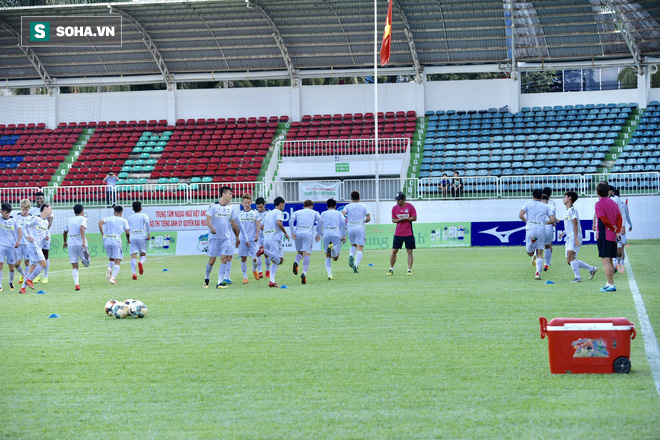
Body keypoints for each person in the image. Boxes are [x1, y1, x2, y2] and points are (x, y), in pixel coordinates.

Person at [204, 186, 244, 289]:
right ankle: (207, 277)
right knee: (212, 261)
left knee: (224, 258)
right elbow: (207, 220)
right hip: (214, 238)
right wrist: (212, 228)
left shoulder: (230, 208)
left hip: (226, 238)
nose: (231, 196)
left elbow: (233, 223)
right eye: (230, 194)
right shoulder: (213, 206)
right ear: (223, 194)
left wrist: (237, 237)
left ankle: (220, 282)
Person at [557, 191, 598, 283]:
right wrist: (563, 233)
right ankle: (591, 269)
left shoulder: (572, 210)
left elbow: (575, 224)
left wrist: (575, 238)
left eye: (565, 197)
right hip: (569, 237)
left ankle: (578, 278)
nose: (564, 199)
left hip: (573, 237)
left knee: (570, 257)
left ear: (569, 198)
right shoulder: (567, 211)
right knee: (569, 260)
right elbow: (570, 225)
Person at [519, 189, 555, 280]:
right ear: (541, 197)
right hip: (541, 229)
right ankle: (537, 273)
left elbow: (520, 215)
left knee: (530, 253)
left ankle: (532, 242)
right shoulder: (546, 206)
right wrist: (545, 222)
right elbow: (552, 220)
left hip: (530, 228)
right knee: (540, 253)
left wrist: (528, 222)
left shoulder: (527, 204)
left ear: (532, 196)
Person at [593, 181, 622, 292]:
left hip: (604, 234)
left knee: (605, 261)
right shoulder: (613, 202)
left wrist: (613, 229)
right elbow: (620, 218)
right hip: (612, 235)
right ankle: (609, 283)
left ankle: (611, 285)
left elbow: (603, 220)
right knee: (609, 260)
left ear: (598, 192)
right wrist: (617, 230)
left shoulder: (599, 204)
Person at [256, 196, 290, 288]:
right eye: (284, 205)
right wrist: (286, 233)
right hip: (275, 238)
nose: (283, 207)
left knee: (278, 260)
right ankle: (264, 251)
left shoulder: (268, 214)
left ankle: (272, 281)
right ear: (281, 204)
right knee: (278, 260)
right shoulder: (279, 212)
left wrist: (268, 231)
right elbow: (279, 223)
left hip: (267, 238)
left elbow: (261, 226)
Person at [19, 203, 52, 294]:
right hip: (33, 245)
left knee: (32, 268)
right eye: (50, 209)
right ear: (45, 208)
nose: (51, 211)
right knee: (44, 263)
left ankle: (23, 289)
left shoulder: (45, 222)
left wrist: (47, 236)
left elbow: (46, 232)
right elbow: (23, 226)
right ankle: (29, 280)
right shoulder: (36, 218)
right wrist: (27, 237)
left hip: (38, 246)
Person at [290, 199, 323, 285]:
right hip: (307, 234)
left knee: (300, 253)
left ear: (303, 206)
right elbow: (320, 221)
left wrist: (292, 232)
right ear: (311, 206)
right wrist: (319, 233)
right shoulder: (314, 212)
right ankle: (304, 273)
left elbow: (290, 221)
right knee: (307, 254)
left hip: (298, 234)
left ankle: (296, 262)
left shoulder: (297, 212)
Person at [98, 205, 131, 285]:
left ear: (114, 212)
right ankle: (112, 278)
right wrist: (128, 239)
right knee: (118, 261)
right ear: (121, 212)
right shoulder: (123, 220)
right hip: (116, 240)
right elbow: (127, 232)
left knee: (111, 259)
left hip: (106, 240)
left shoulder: (108, 218)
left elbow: (100, 222)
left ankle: (109, 268)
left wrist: (103, 233)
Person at [387, 192, 417, 276]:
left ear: (403, 199)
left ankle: (409, 269)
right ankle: (391, 268)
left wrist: (406, 219)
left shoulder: (410, 207)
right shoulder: (394, 208)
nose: (397, 201)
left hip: (408, 233)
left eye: (398, 200)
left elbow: (414, 218)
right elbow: (393, 220)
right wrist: (399, 220)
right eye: (396, 200)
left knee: (409, 251)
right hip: (398, 233)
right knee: (394, 251)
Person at [63, 204, 90, 291]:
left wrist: (65, 242)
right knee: (87, 264)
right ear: (82, 211)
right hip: (80, 242)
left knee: (74, 265)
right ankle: (85, 259)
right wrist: (83, 241)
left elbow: (64, 231)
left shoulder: (70, 220)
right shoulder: (83, 218)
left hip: (71, 242)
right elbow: (82, 228)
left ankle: (77, 284)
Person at [28, 192, 53, 284]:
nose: (39, 200)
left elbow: (50, 223)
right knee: (35, 256)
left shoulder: (48, 209)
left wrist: (44, 232)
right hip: (35, 237)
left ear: (43, 199)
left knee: (45, 255)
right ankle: (36, 275)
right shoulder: (32, 210)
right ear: (35, 199)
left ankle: (45, 276)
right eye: (37, 198)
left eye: (41, 198)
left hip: (45, 235)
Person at [343, 191, 370, 273]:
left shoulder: (347, 206)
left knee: (353, 245)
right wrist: (362, 222)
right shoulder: (363, 206)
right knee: (360, 247)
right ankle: (356, 265)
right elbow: (368, 218)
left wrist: (346, 223)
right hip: (359, 227)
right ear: (359, 198)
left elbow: (342, 215)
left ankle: (351, 255)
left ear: (351, 198)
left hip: (350, 227)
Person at [320, 198, 346, 280]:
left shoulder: (323, 213)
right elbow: (344, 222)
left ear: (327, 206)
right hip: (336, 234)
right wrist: (344, 235)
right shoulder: (339, 213)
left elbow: (319, 224)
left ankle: (329, 274)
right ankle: (333, 248)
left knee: (327, 256)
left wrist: (320, 233)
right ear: (335, 206)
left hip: (326, 234)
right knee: (335, 258)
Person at [237, 193, 261, 284]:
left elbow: (258, 224)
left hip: (252, 240)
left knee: (255, 259)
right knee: (243, 258)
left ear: (251, 202)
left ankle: (254, 269)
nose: (247, 204)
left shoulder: (255, 213)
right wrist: (237, 238)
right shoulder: (240, 214)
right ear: (242, 203)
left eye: (248, 202)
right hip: (243, 239)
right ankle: (245, 277)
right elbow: (238, 227)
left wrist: (257, 234)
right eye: (245, 202)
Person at [0, 203, 22, 292]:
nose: (7, 214)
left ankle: (10, 281)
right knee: (0, 265)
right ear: (1, 211)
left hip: (11, 246)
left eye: (9, 212)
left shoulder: (14, 220)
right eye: (5, 212)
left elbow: (20, 232)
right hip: (1, 246)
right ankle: (0, 285)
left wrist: (18, 242)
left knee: (11, 267)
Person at [609, 187, 632, 273]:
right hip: (610, 228)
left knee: (620, 249)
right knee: (612, 248)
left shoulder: (620, 202)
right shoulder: (603, 200)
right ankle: (613, 265)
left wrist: (624, 226)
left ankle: (619, 263)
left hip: (618, 228)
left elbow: (625, 215)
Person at [127, 201, 150, 281]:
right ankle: (141, 262)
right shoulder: (144, 215)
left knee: (133, 255)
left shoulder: (129, 217)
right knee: (143, 254)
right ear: (141, 208)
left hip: (133, 236)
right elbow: (147, 223)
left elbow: (128, 228)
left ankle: (134, 273)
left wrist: (129, 237)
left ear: (133, 209)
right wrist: (149, 234)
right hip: (141, 236)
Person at [14, 199, 32, 285]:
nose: (25, 211)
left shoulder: (31, 218)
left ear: (29, 208)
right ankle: (23, 274)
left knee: (27, 262)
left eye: (27, 209)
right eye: (23, 209)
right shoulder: (16, 217)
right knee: (16, 264)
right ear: (21, 208)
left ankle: (26, 280)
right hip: (18, 243)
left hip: (28, 244)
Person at [254, 197, 270, 279]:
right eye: (258, 207)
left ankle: (268, 270)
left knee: (266, 254)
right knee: (258, 253)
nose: (259, 209)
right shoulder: (254, 213)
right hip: (258, 236)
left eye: (261, 207)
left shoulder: (269, 213)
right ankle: (260, 272)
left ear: (264, 205)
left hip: (266, 236)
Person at [541, 187, 557, 271]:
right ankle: (547, 263)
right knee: (548, 245)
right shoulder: (552, 204)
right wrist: (554, 221)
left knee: (539, 246)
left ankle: (537, 259)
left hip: (538, 226)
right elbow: (553, 218)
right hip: (549, 227)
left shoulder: (537, 204)